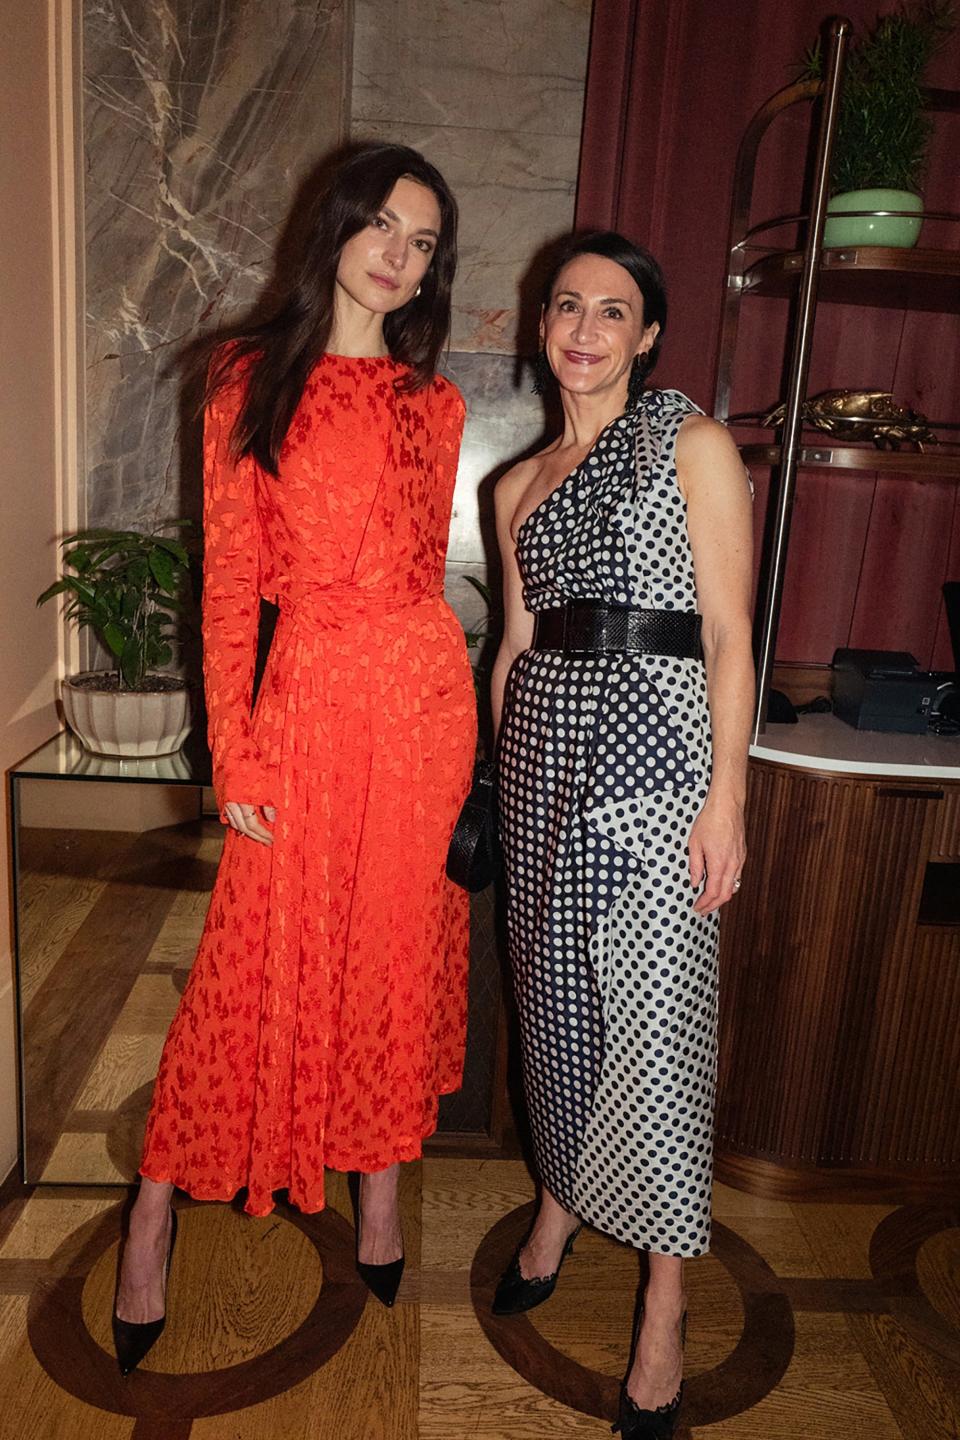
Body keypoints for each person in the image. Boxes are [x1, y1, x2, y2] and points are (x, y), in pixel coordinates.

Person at [112, 142, 476, 1372]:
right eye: (381, 224)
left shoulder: (439, 404)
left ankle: (378, 1189)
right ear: (333, 229)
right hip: (308, 701)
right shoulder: (244, 378)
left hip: (423, 705)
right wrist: (238, 753)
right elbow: (226, 591)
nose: (398, 254)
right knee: (245, 964)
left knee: (391, 951)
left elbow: (425, 582)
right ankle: (156, 1201)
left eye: (422, 241)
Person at [489, 231, 753, 1439]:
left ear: (648, 335)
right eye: (565, 307)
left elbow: (733, 638)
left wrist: (728, 800)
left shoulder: (688, 444)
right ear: (541, 326)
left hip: (656, 772)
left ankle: (664, 1297)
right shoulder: (516, 485)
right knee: (549, 1009)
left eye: (613, 310)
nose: (584, 330)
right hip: (541, 770)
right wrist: (491, 787)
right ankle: (558, 1204)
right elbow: (514, 647)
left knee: (657, 1028)